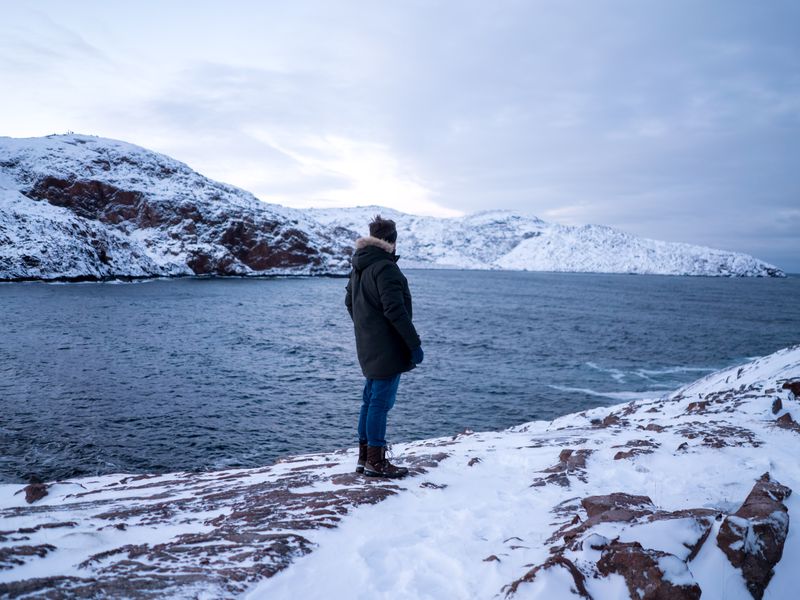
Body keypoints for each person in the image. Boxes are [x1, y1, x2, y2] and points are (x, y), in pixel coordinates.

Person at [345, 215, 424, 478]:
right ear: (391, 241)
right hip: (388, 345)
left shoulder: (358, 265)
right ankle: (376, 462)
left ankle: (364, 458)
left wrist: (366, 326)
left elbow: (349, 303)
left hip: (367, 343)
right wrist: (414, 345)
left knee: (370, 399)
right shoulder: (385, 268)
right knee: (380, 402)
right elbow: (395, 311)